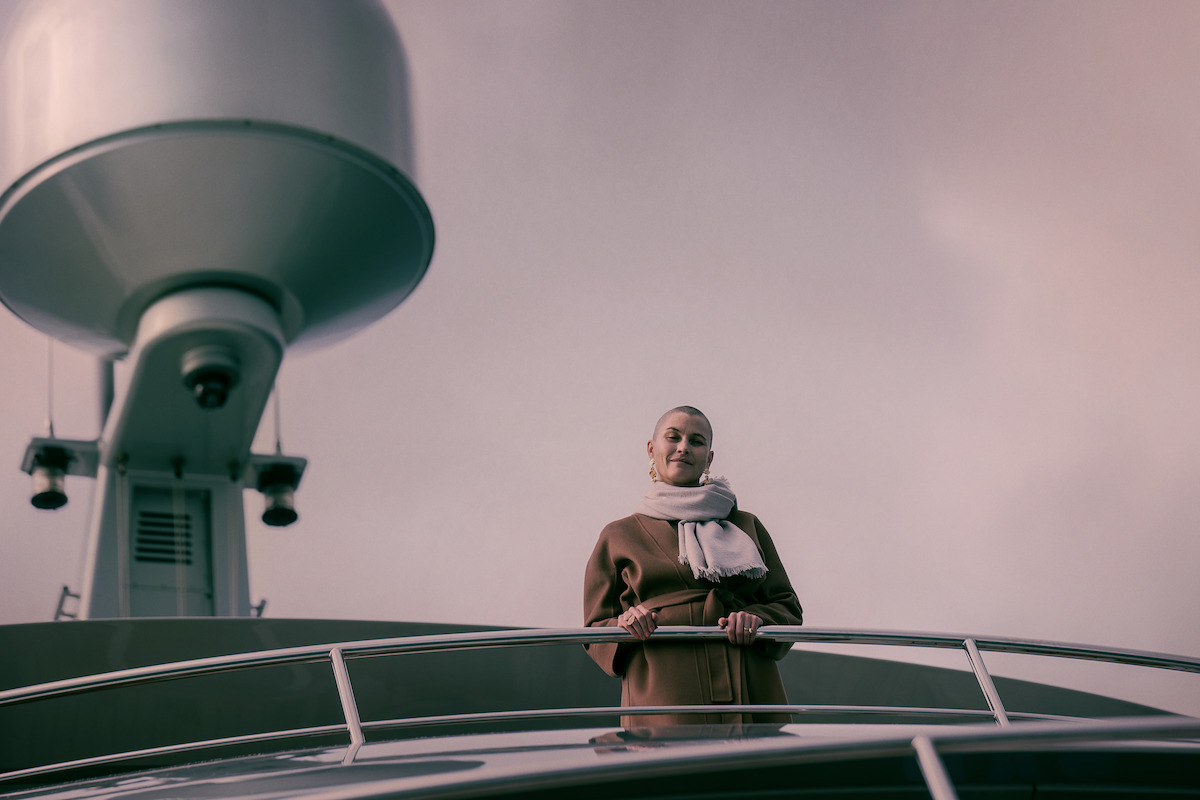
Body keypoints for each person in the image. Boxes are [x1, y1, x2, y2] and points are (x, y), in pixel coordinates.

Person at [583, 406, 803, 727]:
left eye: (696, 441)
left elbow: (787, 608)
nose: (684, 446)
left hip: (748, 677)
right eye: (673, 437)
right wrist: (627, 622)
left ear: (709, 458)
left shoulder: (745, 525)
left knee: (754, 772)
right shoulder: (618, 534)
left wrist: (758, 618)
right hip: (662, 686)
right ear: (651, 449)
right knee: (668, 770)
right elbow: (593, 629)